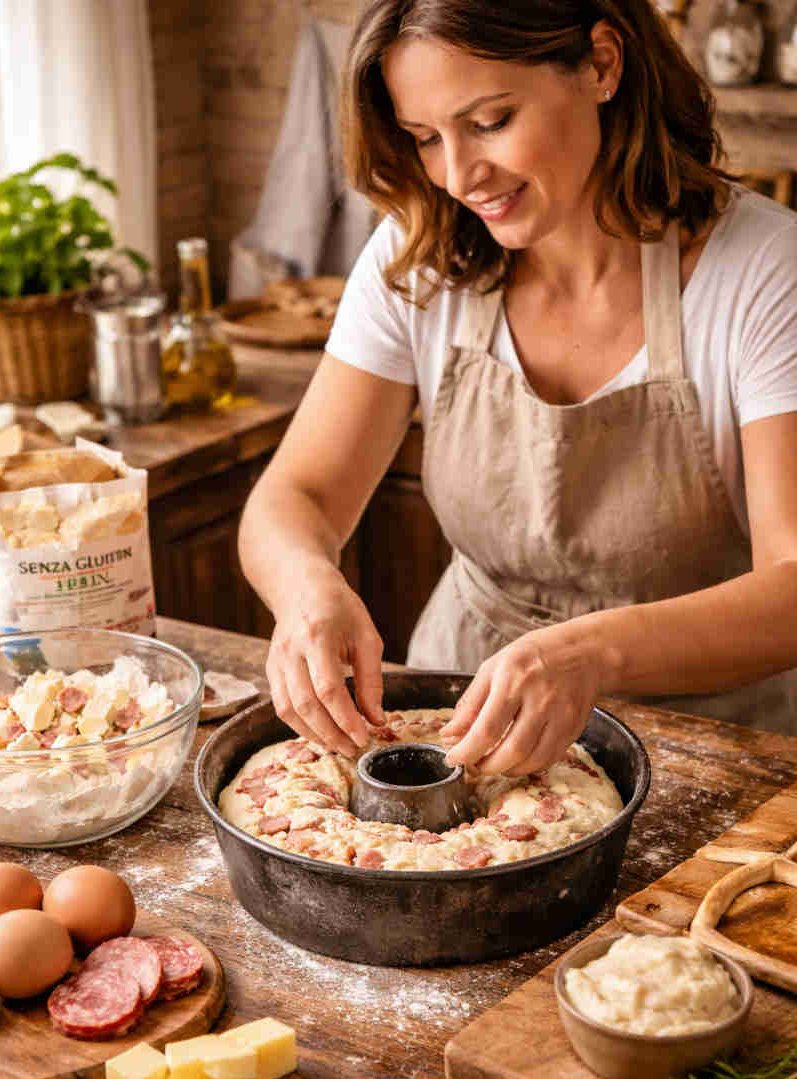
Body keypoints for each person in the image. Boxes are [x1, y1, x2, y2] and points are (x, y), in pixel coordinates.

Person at [238, 0, 797, 777]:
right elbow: (295, 495)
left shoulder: (766, 271)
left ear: (602, 64)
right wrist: (306, 589)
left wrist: (593, 652)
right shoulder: (420, 256)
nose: (460, 175)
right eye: (426, 138)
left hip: (713, 747)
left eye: (490, 122)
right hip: (461, 724)